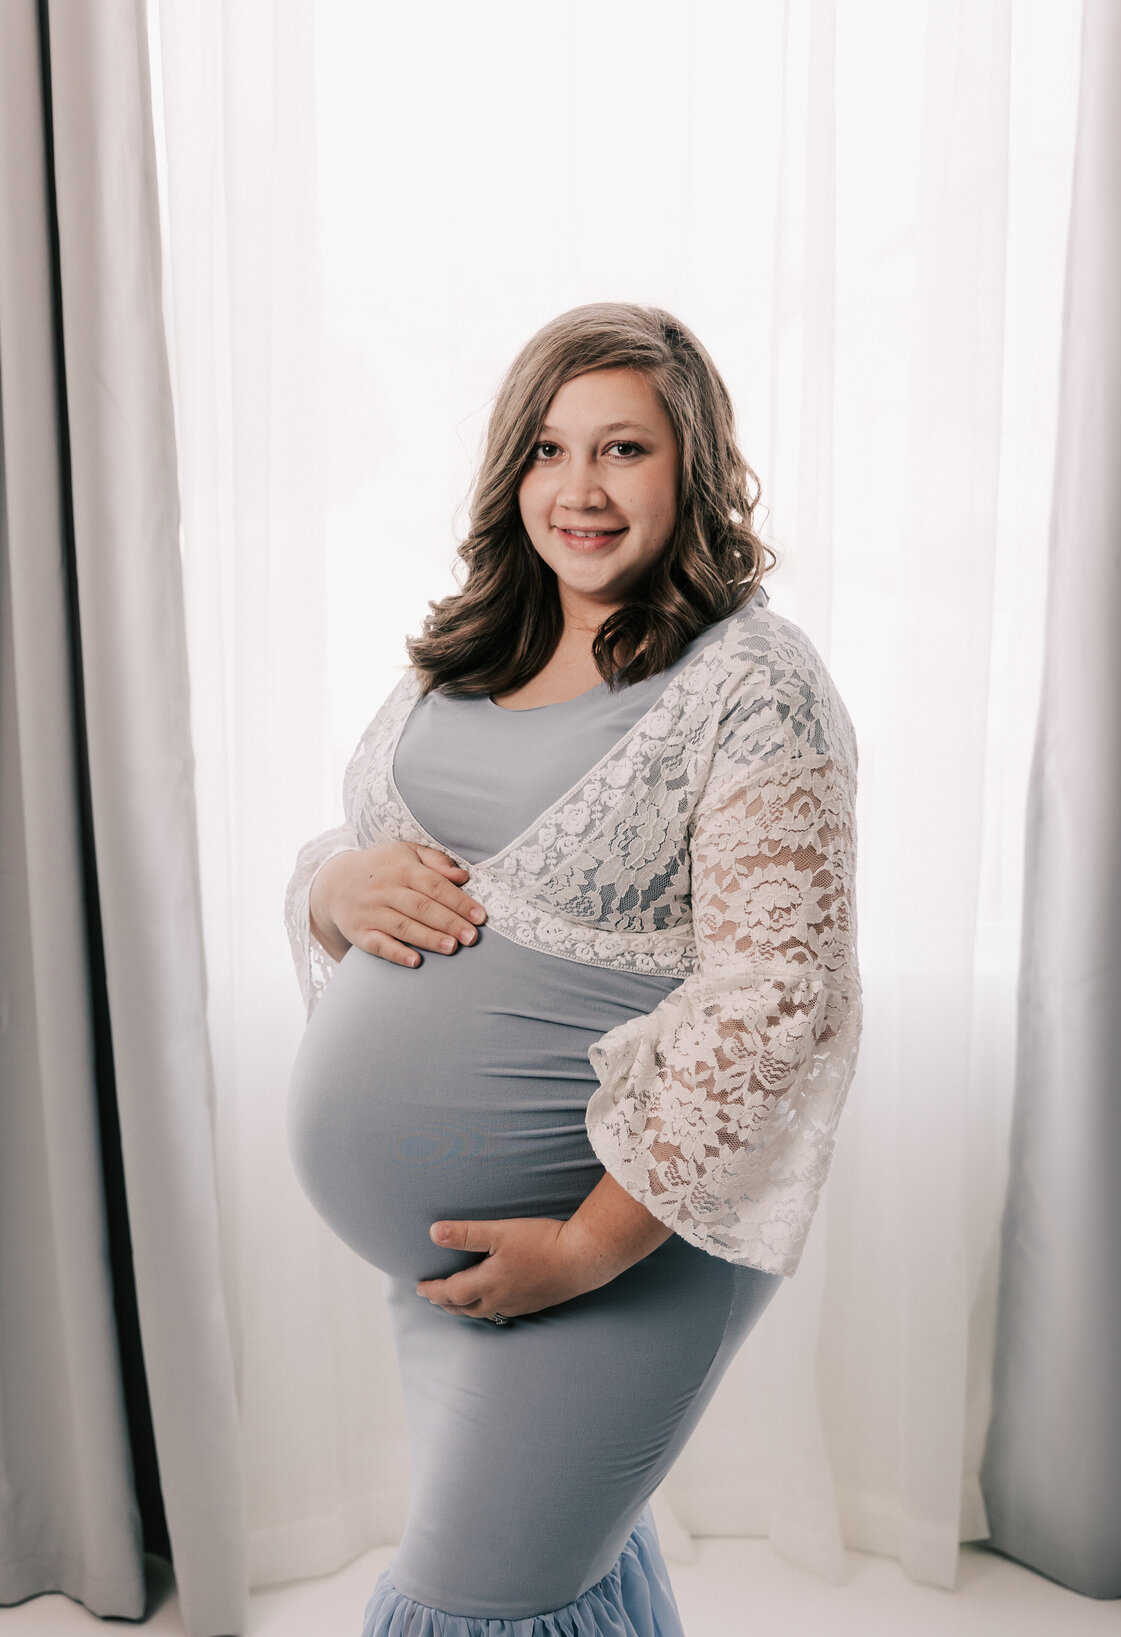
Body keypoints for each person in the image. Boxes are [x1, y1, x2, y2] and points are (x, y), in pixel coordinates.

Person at [283, 301, 862, 1635]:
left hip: (618, 1247)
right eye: (548, 449)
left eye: (623, 450)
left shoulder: (751, 679)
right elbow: (375, 853)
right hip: (453, 1258)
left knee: (476, 1593)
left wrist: (588, 1247)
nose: (579, 488)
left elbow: (778, 999)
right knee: (553, 1568)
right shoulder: (472, 648)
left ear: (694, 468)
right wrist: (329, 884)